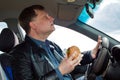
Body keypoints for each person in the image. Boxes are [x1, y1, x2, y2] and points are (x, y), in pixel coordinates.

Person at [10, 5, 102, 80]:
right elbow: (63, 68)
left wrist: (91, 54)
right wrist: (60, 71)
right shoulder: (20, 53)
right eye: (45, 17)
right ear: (33, 25)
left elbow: (69, 63)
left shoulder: (52, 45)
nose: (52, 18)